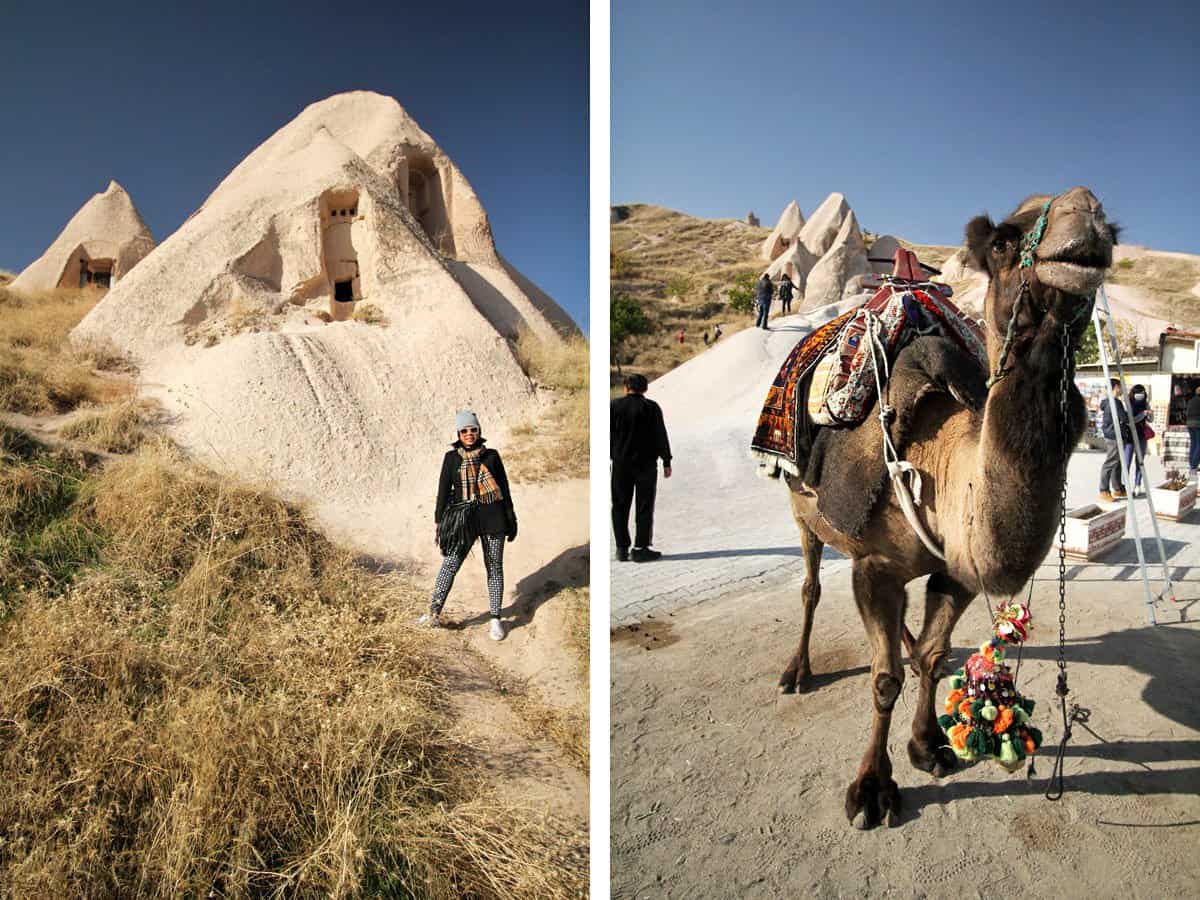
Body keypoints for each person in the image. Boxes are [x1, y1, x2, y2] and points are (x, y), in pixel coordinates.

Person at [420, 411, 518, 640]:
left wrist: (511, 519)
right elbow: (443, 492)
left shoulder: (492, 456)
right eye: (464, 431)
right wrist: (439, 521)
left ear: (479, 431)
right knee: (450, 564)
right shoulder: (451, 458)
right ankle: (433, 612)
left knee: (494, 568)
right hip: (462, 521)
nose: (469, 434)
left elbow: (503, 488)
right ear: (458, 434)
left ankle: (495, 619)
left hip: (493, 518)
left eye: (473, 430)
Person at [611, 373, 672, 562]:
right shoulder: (651, 408)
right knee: (644, 506)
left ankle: (621, 548)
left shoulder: (613, 406)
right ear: (645, 388)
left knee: (620, 506)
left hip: (621, 464)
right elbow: (660, 435)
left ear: (626, 387)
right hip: (646, 465)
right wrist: (666, 461)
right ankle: (640, 548)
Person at [1099, 379, 1131, 502]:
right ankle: (1103, 490)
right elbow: (1124, 418)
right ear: (1116, 387)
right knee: (1111, 462)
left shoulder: (1108, 402)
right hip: (1114, 436)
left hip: (1112, 435)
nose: (1122, 390)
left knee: (1117, 463)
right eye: (1121, 387)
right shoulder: (1115, 402)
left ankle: (1117, 488)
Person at [1123, 384, 1150, 495]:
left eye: (1143, 393)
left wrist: (1149, 414)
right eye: (1139, 393)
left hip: (1142, 435)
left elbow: (1150, 419)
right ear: (1133, 393)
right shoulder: (1128, 404)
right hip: (1130, 436)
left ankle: (1137, 484)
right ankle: (1125, 485)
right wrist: (1142, 414)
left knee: (1140, 462)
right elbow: (1130, 421)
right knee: (1127, 461)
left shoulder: (1146, 403)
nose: (1141, 395)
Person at [1188, 385, 1200, 473]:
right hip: (1198, 424)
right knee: (1199, 445)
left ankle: (1191, 464)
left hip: (1190, 424)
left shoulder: (1191, 401)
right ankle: (1194, 465)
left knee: (1193, 444)